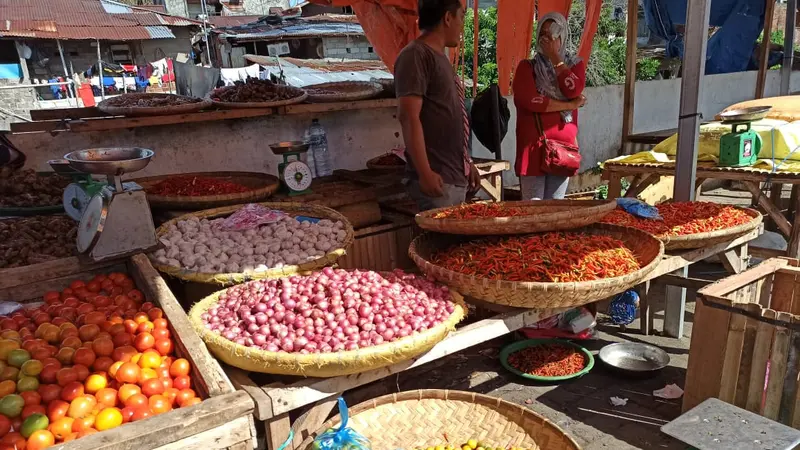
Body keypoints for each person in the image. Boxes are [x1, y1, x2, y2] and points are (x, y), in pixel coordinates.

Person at [394, 0, 480, 211]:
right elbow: (408, 117)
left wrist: (466, 164)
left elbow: (447, 114)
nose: (462, 24)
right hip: (438, 180)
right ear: (447, 18)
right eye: (461, 16)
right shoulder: (416, 55)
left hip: (453, 176)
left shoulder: (439, 57)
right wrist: (425, 173)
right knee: (442, 243)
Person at [513, 12, 586, 200]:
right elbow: (531, 101)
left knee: (556, 210)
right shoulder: (527, 67)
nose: (548, 39)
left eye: (554, 34)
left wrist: (556, 59)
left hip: (562, 152)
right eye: (544, 34)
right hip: (533, 152)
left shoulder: (575, 65)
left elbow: (573, 89)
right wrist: (570, 105)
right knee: (533, 211)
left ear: (563, 37)